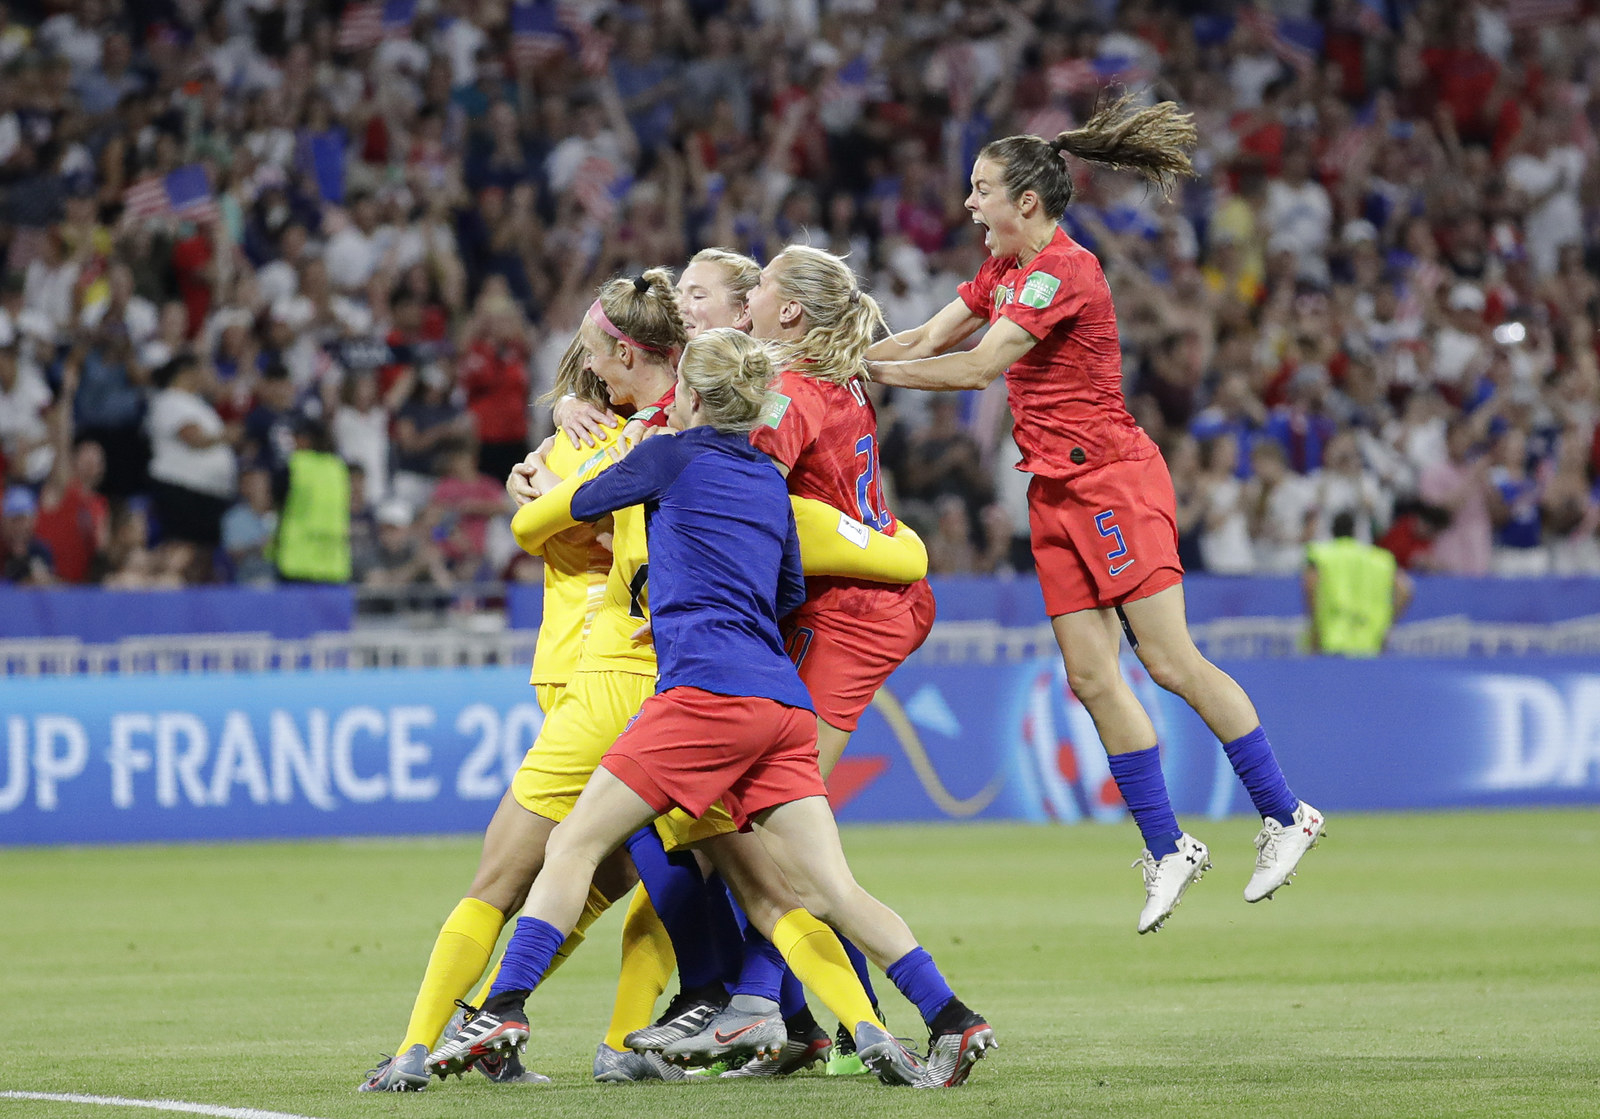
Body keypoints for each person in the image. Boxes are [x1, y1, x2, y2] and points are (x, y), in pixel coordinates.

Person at [426, 327, 994, 1089]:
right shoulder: (768, 478)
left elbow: (575, 506)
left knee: (573, 845)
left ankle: (504, 1005)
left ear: (689, 395)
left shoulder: (666, 455)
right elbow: (789, 590)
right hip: (782, 701)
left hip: (702, 694)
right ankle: (952, 1016)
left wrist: (546, 462)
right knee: (828, 889)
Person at [865, 95, 1325, 934]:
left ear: (1026, 202)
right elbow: (930, 335)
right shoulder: (1003, 271)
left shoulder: (1062, 271)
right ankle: (1169, 846)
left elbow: (976, 369)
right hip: (1053, 490)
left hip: (1114, 482)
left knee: (1172, 660)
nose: (969, 204)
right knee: (1088, 677)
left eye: (980, 190)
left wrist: (871, 375)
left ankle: (1285, 811)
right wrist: (840, 364)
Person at [1305, 511, 1413, 656]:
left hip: (1331, 641)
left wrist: (1315, 630)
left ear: (1332, 531)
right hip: (1370, 643)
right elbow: (1405, 590)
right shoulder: (1379, 559)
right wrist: (1386, 625)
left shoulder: (1321, 555)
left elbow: (1311, 587)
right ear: (1355, 532)